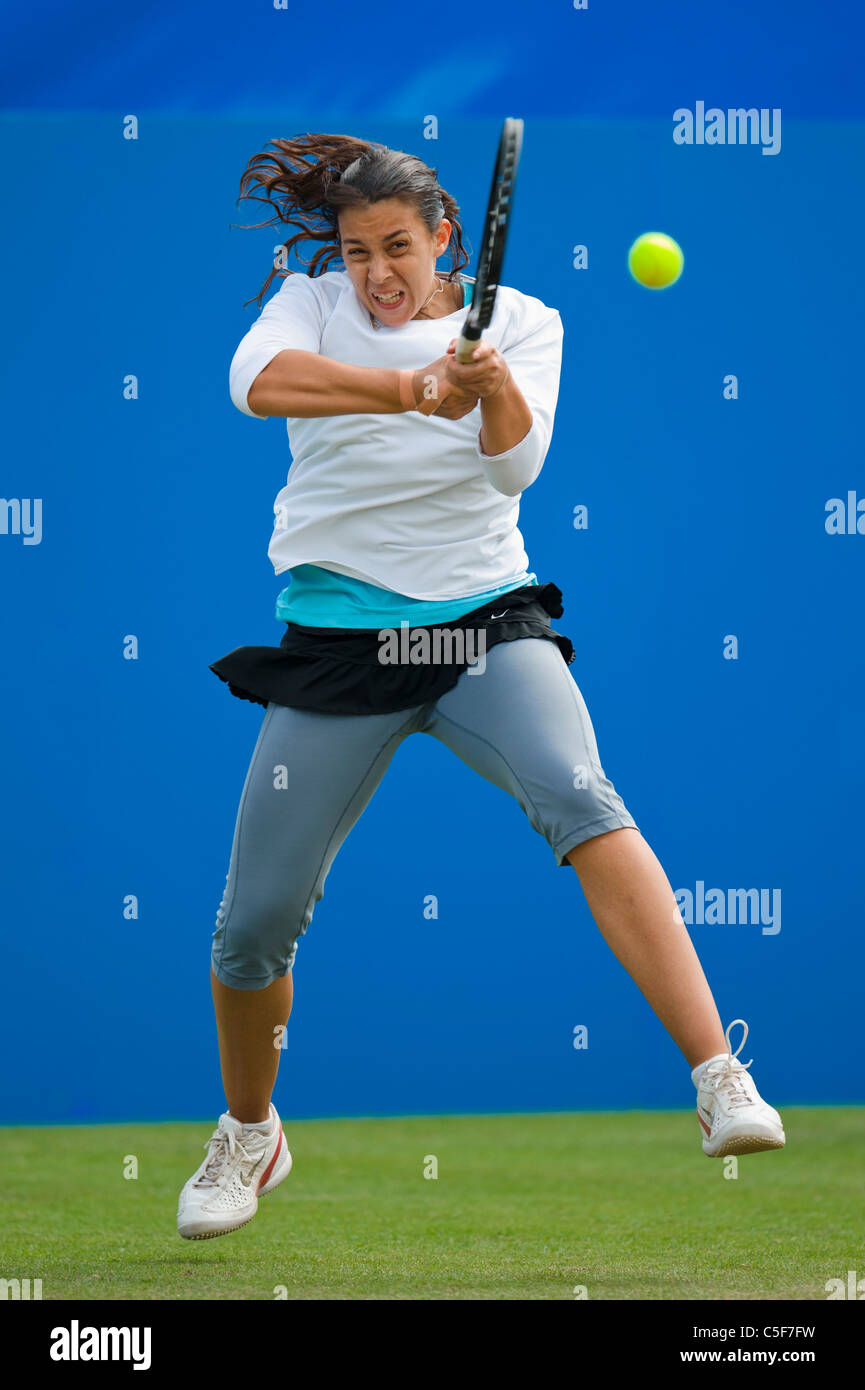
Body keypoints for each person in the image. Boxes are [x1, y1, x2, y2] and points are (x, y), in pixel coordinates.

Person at [177, 133, 784, 1242]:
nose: (377, 273)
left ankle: (719, 1079)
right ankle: (250, 1132)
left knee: (581, 794)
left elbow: (515, 464)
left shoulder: (525, 322)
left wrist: (488, 382)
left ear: (444, 233)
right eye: (359, 252)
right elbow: (254, 385)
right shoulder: (308, 306)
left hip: (479, 629)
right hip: (336, 644)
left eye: (397, 247)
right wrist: (410, 385)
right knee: (251, 925)